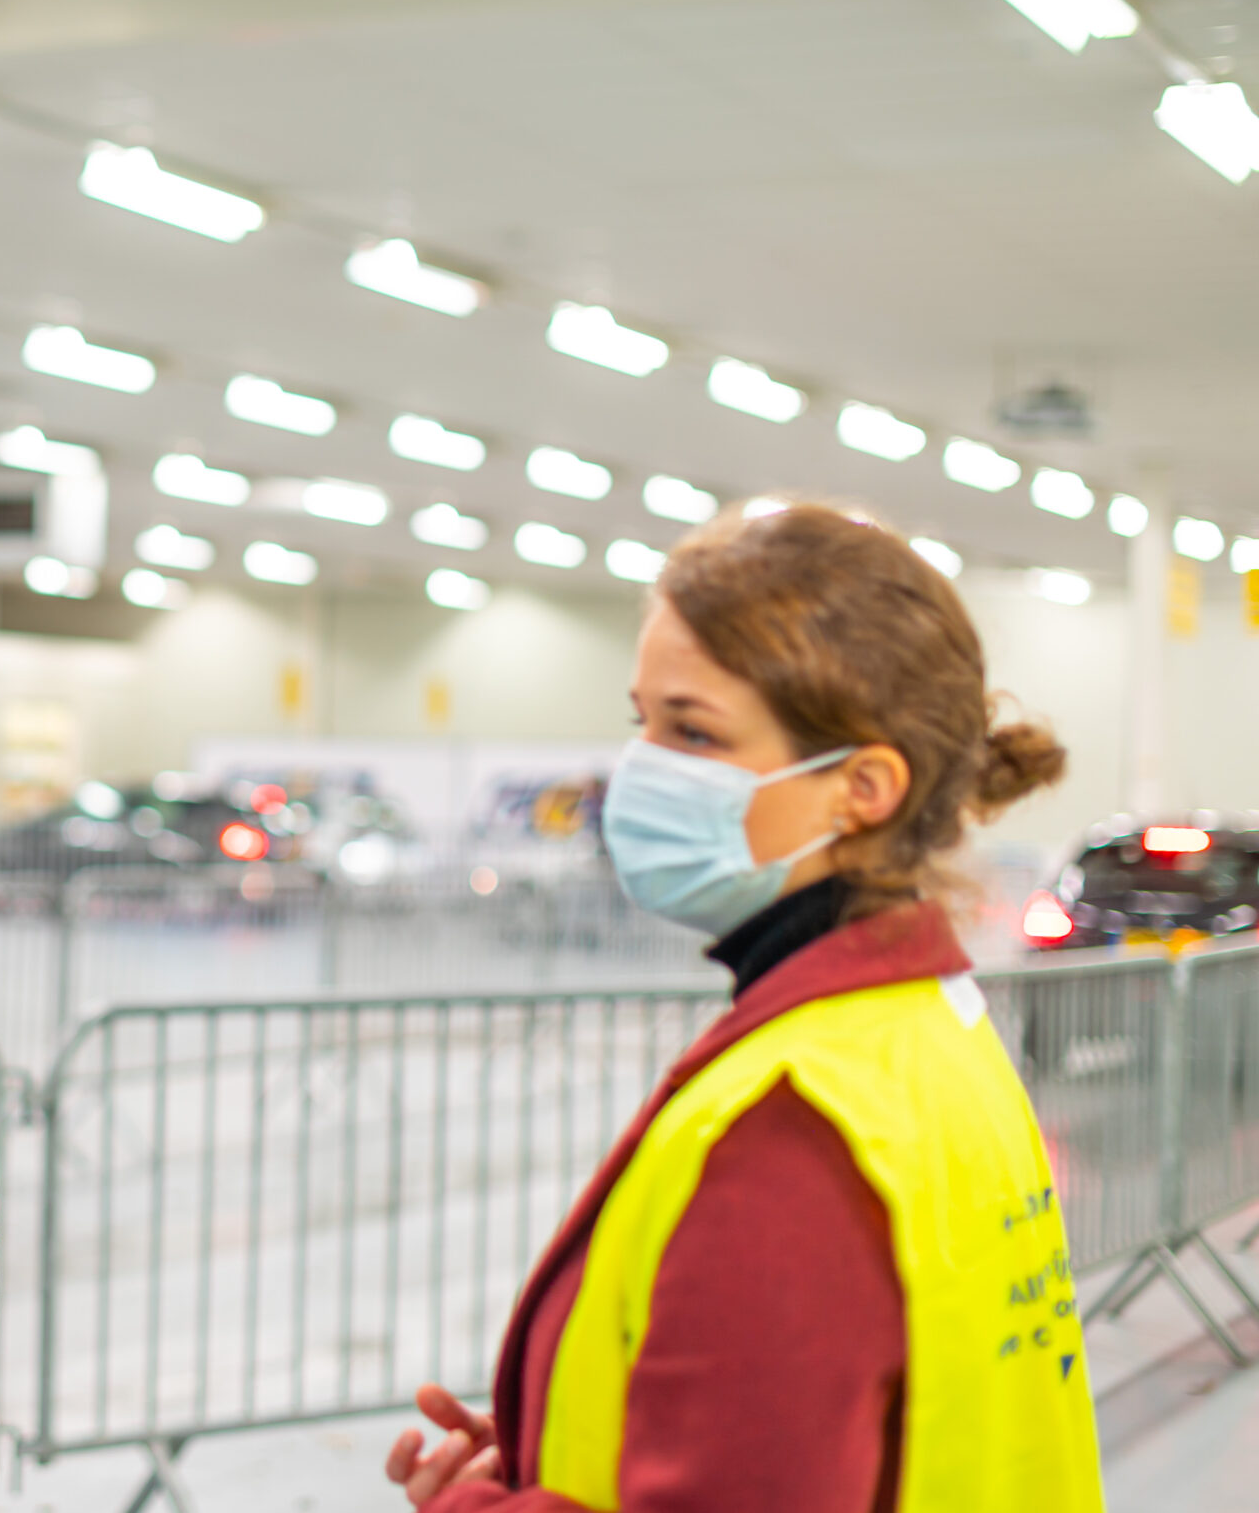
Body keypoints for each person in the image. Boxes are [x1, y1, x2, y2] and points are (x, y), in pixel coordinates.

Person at [386, 503, 1102, 1513]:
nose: (640, 768)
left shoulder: (789, 1124)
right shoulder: (932, 1028)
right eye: (641, 720)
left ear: (862, 786)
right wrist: (571, 1443)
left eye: (693, 730)